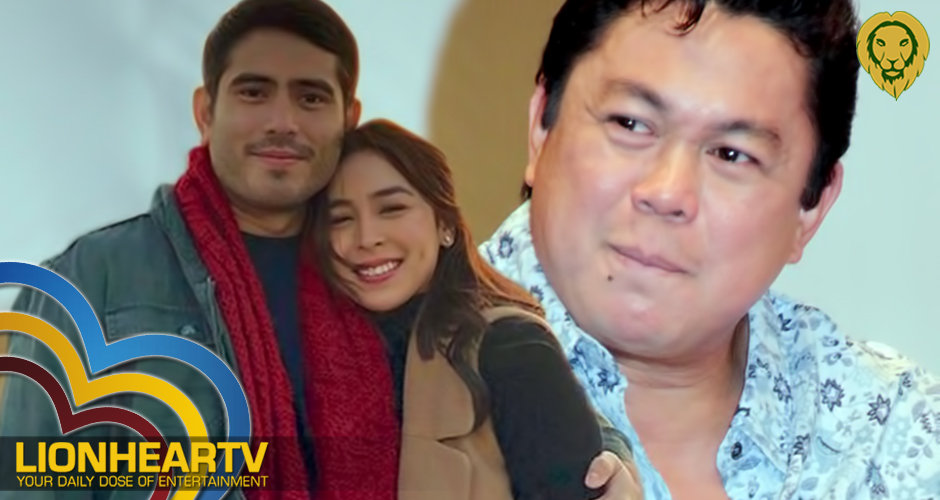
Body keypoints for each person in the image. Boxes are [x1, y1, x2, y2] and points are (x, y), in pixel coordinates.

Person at [0, 0, 640, 499]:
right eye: (254, 92)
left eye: (310, 97)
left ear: (347, 117)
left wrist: (608, 451)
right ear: (205, 111)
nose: (283, 121)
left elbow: (510, 374)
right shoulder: (92, 279)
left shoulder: (377, 277)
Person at [480, 0, 940, 499]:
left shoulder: (892, 441)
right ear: (541, 127)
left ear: (810, 210)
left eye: (731, 154)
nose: (666, 193)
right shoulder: (424, 381)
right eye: (630, 124)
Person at [310, 119, 634, 500]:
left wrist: (615, 452)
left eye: (392, 208)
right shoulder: (311, 355)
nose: (367, 237)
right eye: (341, 218)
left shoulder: (509, 348)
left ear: (445, 225)